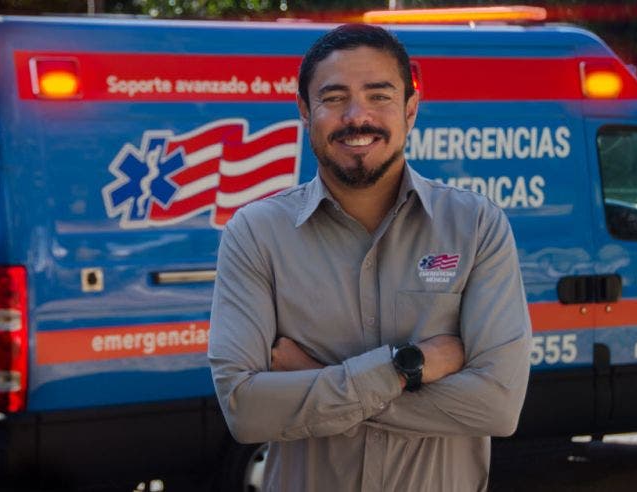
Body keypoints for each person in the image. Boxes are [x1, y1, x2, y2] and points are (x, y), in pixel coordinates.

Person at [208, 23, 532, 492]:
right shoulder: (256, 234)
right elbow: (245, 410)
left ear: (410, 110)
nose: (357, 116)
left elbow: (497, 408)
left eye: (379, 96)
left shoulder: (477, 227)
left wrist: (315, 383)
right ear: (304, 110)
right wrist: (406, 367)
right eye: (334, 97)